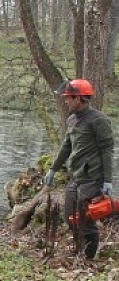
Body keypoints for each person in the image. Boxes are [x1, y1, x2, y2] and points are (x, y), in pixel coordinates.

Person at [44, 78, 114, 259]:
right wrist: (53, 169)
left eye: (68, 98)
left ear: (79, 98)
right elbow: (66, 147)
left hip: (92, 177)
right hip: (76, 176)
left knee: (86, 220)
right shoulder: (72, 120)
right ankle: (79, 249)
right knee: (70, 216)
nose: (66, 101)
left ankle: (88, 257)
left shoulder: (99, 121)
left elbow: (107, 150)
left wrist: (107, 180)